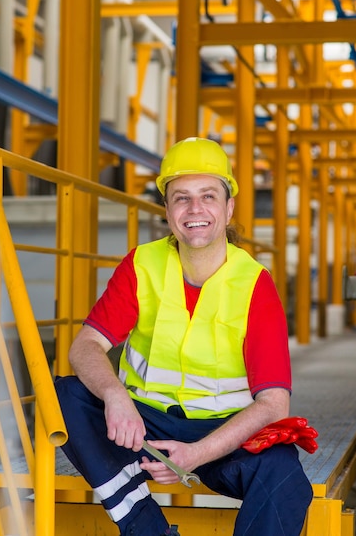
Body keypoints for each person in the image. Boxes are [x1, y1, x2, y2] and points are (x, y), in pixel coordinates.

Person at [55, 137, 313, 536]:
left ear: (228, 209)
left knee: (285, 476)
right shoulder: (143, 264)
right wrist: (114, 395)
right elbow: (86, 346)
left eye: (208, 196)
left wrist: (197, 454)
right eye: (182, 198)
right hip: (141, 427)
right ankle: (146, 528)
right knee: (66, 395)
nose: (195, 210)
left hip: (219, 436)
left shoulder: (254, 285)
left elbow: (274, 404)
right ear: (167, 210)